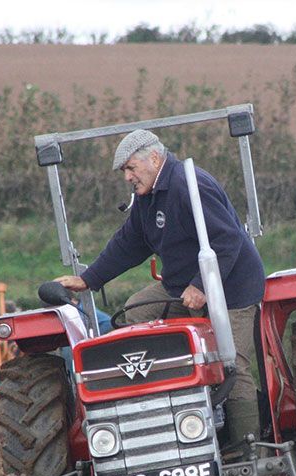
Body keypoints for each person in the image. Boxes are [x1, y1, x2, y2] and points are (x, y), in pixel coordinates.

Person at [56, 129, 265, 448]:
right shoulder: (147, 198)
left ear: (154, 159)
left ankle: (246, 449)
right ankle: (154, 418)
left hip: (230, 288)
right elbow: (130, 243)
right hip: (181, 287)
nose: (127, 177)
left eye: (130, 168)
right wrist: (90, 279)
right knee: (132, 318)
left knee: (231, 363)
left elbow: (228, 240)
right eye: (125, 171)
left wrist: (201, 286)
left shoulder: (189, 185)